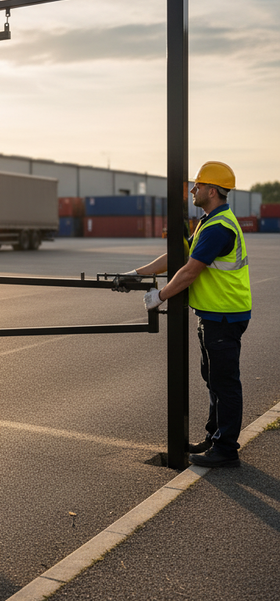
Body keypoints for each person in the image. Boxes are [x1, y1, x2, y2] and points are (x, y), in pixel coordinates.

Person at [128, 161, 251, 468]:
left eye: (197, 186)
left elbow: (189, 272)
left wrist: (160, 295)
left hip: (224, 315)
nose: (193, 190)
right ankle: (214, 438)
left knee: (224, 382)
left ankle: (226, 449)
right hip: (214, 313)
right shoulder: (210, 221)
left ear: (212, 190)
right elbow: (179, 255)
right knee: (213, 379)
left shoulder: (219, 228)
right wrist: (135, 273)